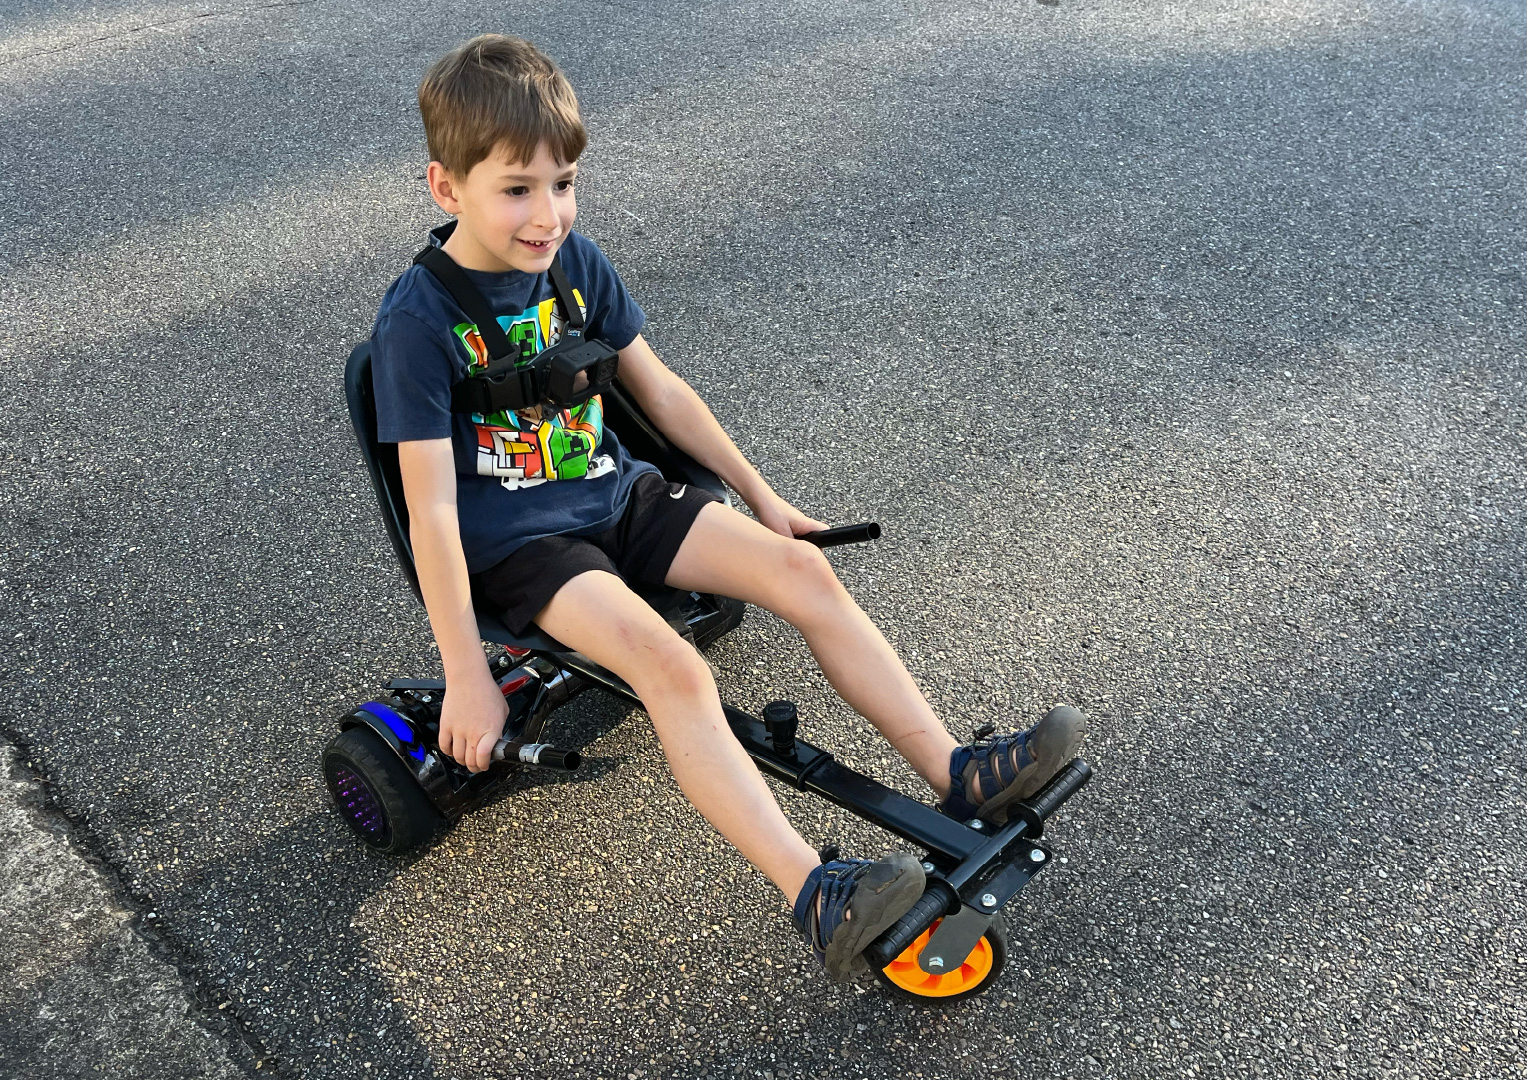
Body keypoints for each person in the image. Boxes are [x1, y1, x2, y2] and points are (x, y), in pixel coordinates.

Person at [369, 33, 1088, 982]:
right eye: (518, 188)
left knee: (803, 571)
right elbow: (428, 515)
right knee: (673, 670)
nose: (548, 213)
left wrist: (765, 501)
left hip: (614, 498)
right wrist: (464, 671)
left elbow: (662, 395)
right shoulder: (419, 324)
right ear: (445, 186)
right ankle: (814, 893)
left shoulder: (574, 264)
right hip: (522, 547)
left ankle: (954, 770)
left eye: (565, 182)